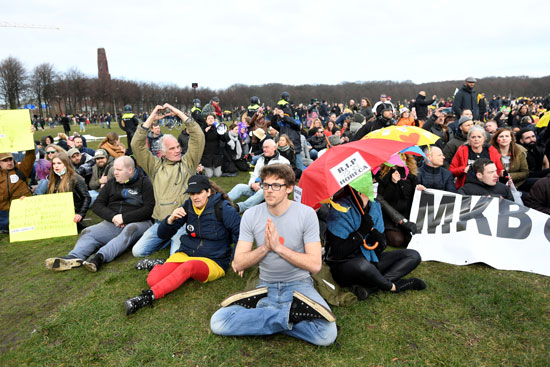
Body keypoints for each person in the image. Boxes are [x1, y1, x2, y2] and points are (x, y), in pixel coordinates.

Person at [210, 164, 337, 346]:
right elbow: (238, 263)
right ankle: (290, 315)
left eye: (276, 185)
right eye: (266, 185)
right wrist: (265, 248)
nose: (269, 190)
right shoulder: (251, 215)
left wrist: (279, 248)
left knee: (326, 334)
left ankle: (264, 315)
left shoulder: (306, 214)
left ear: (290, 188)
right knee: (218, 322)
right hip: (265, 285)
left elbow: (315, 265)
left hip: (299, 285)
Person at [124, 175, 240, 315]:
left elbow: (240, 234)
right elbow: (162, 234)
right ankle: (162, 264)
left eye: (199, 192)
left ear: (208, 192)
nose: (195, 197)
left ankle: (147, 297)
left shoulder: (224, 209)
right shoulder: (188, 206)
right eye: (192, 193)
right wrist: (170, 220)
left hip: (213, 260)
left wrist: (237, 259)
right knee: (153, 279)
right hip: (187, 253)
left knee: (188, 267)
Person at [45, 156, 154, 272]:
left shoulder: (145, 183)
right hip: (114, 222)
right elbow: (97, 205)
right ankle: (74, 257)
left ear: (130, 170)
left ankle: (99, 257)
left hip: (139, 222)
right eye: (114, 169)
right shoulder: (112, 183)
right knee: (88, 232)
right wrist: (113, 217)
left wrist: (125, 218)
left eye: (119, 170)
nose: (115, 173)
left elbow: (149, 209)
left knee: (130, 229)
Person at [324, 185, 426, 301]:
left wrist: (378, 240)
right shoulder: (340, 208)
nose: (375, 184)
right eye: (372, 182)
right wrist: (361, 232)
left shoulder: (375, 206)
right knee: (362, 265)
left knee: (413, 255)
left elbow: (380, 248)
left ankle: (371, 288)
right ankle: (394, 286)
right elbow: (337, 253)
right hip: (346, 266)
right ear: (359, 190)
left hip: (371, 261)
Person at [131, 104, 205, 257]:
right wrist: (151, 118)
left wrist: (179, 113)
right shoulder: (154, 167)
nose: (178, 150)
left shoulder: (188, 163)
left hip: (183, 223)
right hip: (162, 222)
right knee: (138, 252)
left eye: (178, 147)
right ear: (162, 153)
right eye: (172, 149)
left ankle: (178, 239)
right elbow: (136, 145)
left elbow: (198, 136)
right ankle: (167, 239)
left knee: (175, 257)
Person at [227, 139, 290, 213]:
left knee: (262, 191)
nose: (264, 149)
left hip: (272, 190)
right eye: (263, 147)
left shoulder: (283, 162)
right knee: (239, 187)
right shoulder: (261, 159)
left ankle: (239, 208)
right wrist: (252, 184)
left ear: (274, 148)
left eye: (267, 147)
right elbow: (255, 174)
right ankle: (223, 202)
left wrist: (262, 185)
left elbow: (281, 180)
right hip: (258, 187)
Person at [376, 156, 419, 247]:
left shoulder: (410, 175)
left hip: (407, 215)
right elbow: (383, 200)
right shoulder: (382, 175)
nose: (404, 158)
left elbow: (412, 196)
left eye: (405, 156)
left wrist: (419, 189)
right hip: (390, 218)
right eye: (400, 155)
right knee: (397, 240)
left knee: (411, 240)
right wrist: (393, 183)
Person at [46, 152, 91, 232]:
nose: (56, 166)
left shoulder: (76, 178)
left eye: (59, 163)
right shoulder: (54, 179)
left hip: (72, 214)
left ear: (66, 164)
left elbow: (86, 197)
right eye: (54, 163)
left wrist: (80, 214)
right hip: (56, 215)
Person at [449, 125, 504, 190]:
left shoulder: (492, 150)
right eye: (473, 137)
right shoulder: (462, 150)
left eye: (479, 137)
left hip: (488, 188)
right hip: (467, 187)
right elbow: (451, 171)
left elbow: (500, 171)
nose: (476, 139)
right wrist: (463, 169)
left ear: (484, 138)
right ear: (469, 139)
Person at [0, 148, 36, 232]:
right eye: (5, 160)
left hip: (21, 211)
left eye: (10, 159)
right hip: (3, 212)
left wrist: (29, 143)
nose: (9, 162)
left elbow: (30, 157)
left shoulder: (21, 170)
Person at [516, 128, 550, 193]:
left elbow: (545, 161)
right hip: (524, 178)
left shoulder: (538, 148)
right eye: (528, 138)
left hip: (536, 173)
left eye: (533, 136)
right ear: (521, 141)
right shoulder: (519, 151)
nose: (532, 140)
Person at [201, 114, 225, 178]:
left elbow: (223, 139)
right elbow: (200, 140)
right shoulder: (203, 128)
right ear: (206, 120)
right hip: (207, 155)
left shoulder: (217, 128)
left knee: (218, 175)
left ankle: (213, 168)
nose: (211, 119)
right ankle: (204, 167)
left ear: (214, 120)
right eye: (209, 118)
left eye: (212, 118)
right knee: (209, 175)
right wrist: (205, 132)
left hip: (216, 154)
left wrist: (221, 131)